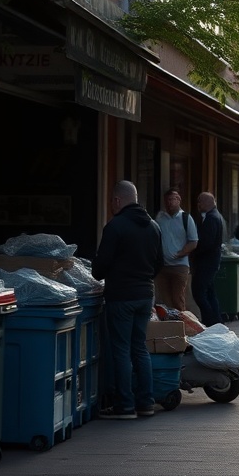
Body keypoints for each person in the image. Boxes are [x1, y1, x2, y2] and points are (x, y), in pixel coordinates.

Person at [92, 180, 163, 419]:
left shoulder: (115, 226)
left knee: (121, 350)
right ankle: (146, 403)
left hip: (121, 296)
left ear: (117, 200)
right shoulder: (153, 226)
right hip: (145, 294)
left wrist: (102, 273)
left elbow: (100, 267)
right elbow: (160, 263)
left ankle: (124, 405)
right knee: (140, 348)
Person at [154, 188, 198, 312]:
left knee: (177, 299)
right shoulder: (160, 218)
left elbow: (194, 241)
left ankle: (181, 326)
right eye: (167, 200)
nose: (169, 203)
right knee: (164, 301)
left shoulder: (186, 218)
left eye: (172, 199)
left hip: (180, 266)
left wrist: (181, 253)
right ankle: (170, 327)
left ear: (179, 200)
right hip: (163, 266)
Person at [191, 191, 226, 326]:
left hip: (207, 262)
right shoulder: (214, 216)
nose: (198, 204)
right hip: (211, 261)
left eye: (200, 201)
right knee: (210, 293)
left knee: (199, 292)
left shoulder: (211, 218)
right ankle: (217, 322)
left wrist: (194, 251)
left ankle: (210, 321)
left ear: (208, 202)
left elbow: (207, 242)